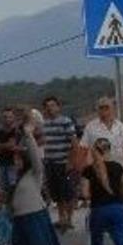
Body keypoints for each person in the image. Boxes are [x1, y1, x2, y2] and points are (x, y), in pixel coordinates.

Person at [10, 112, 69, 245]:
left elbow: (35, 155)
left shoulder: (35, 173)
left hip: (35, 214)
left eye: (18, 159)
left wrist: (28, 134)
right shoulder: (18, 178)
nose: (16, 162)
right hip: (19, 217)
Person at [41, 95, 78, 232]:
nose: (50, 109)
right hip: (50, 163)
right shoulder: (44, 124)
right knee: (56, 193)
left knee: (67, 192)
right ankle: (61, 218)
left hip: (63, 162)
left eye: (53, 105)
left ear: (58, 107)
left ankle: (69, 219)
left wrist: (71, 161)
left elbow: (74, 143)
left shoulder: (65, 121)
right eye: (47, 106)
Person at [81, 97, 123, 166]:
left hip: (120, 166)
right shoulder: (90, 126)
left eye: (107, 107)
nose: (104, 109)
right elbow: (83, 147)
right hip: (98, 166)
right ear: (97, 110)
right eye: (101, 107)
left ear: (113, 109)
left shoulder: (120, 126)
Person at [0, 107, 21, 197]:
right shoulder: (0, 132)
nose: (7, 119)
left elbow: (11, 145)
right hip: (2, 163)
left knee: (14, 189)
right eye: (5, 117)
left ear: (14, 118)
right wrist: (5, 145)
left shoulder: (17, 131)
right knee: (4, 189)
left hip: (13, 163)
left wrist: (0, 145)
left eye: (10, 117)